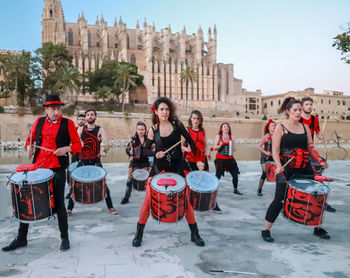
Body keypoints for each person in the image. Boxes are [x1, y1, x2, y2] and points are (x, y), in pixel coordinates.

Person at [2, 95, 82, 252]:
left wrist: (66, 149)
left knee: (59, 204)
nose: (57, 111)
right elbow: (29, 142)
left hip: (57, 169)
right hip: (37, 168)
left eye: (59, 108)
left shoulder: (68, 123)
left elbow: (78, 145)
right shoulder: (38, 122)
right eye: (53, 109)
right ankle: (21, 239)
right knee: (25, 201)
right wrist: (29, 148)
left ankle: (64, 237)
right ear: (46, 109)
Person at [132, 97, 205, 248]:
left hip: (178, 168)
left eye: (167, 109)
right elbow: (145, 149)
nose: (165, 112)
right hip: (159, 169)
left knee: (186, 202)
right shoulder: (153, 130)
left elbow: (191, 141)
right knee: (147, 202)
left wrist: (198, 159)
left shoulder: (177, 125)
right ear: (156, 112)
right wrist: (154, 154)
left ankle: (195, 233)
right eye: (161, 109)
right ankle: (139, 233)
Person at [261, 97, 330, 243]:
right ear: (288, 111)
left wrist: (320, 160)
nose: (298, 112)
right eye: (295, 110)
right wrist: (278, 165)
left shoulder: (305, 127)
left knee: (316, 196)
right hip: (286, 168)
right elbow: (275, 150)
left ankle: (317, 227)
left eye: (300, 109)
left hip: (304, 167)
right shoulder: (281, 127)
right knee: (279, 200)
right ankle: (266, 229)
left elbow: (310, 148)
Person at [66, 109, 117, 215]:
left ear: (95, 117)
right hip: (83, 161)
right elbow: (75, 143)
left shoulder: (100, 129)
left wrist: (104, 151)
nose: (89, 116)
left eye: (92, 115)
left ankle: (110, 207)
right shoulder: (80, 129)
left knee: (103, 185)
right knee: (75, 185)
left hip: (95, 161)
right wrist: (79, 145)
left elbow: (107, 144)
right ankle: (69, 209)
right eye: (88, 115)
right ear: (85, 117)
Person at [300, 97, 335, 213]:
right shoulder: (298, 119)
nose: (309, 106)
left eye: (310, 104)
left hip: (310, 151)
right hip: (298, 151)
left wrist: (320, 136)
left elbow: (318, 132)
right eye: (306, 104)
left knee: (318, 176)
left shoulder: (314, 119)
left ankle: (322, 203)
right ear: (302, 106)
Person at [120, 121, 152, 204]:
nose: (141, 131)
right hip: (135, 162)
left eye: (142, 129)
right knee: (129, 180)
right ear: (136, 130)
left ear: (145, 130)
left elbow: (153, 149)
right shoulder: (133, 140)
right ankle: (126, 198)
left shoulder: (148, 139)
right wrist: (129, 155)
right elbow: (127, 149)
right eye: (139, 129)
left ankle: (151, 197)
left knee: (150, 180)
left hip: (145, 161)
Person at [213, 123, 241, 201]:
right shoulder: (218, 136)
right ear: (221, 128)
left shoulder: (232, 137)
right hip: (220, 159)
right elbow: (215, 147)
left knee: (235, 174)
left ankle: (235, 189)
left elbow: (235, 149)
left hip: (230, 158)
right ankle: (213, 190)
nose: (226, 128)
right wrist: (220, 145)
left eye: (227, 126)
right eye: (224, 126)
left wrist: (231, 146)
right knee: (218, 175)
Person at [182, 110, 209, 174]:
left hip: (202, 160)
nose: (196, 121)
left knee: (203, 181)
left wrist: (208, 153)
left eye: (198, 118)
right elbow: (180, 146)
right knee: (191, 181)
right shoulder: (187, 130)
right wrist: (187, 150)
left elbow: (205, 146)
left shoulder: (203, 130)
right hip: (190, 160)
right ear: (190, 119)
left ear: (200, 120)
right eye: (194, 118)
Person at [257, 119, 276, 196]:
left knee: (278, 174)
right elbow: (259, 146)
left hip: (274, 157)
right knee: (264, 173)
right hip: (265, 157)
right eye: (272, 126)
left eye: (275, 126)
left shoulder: (278, 136)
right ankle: (259, 189)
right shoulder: (266, 137)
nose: (274, 127)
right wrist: (265, 152)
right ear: (268, 128)